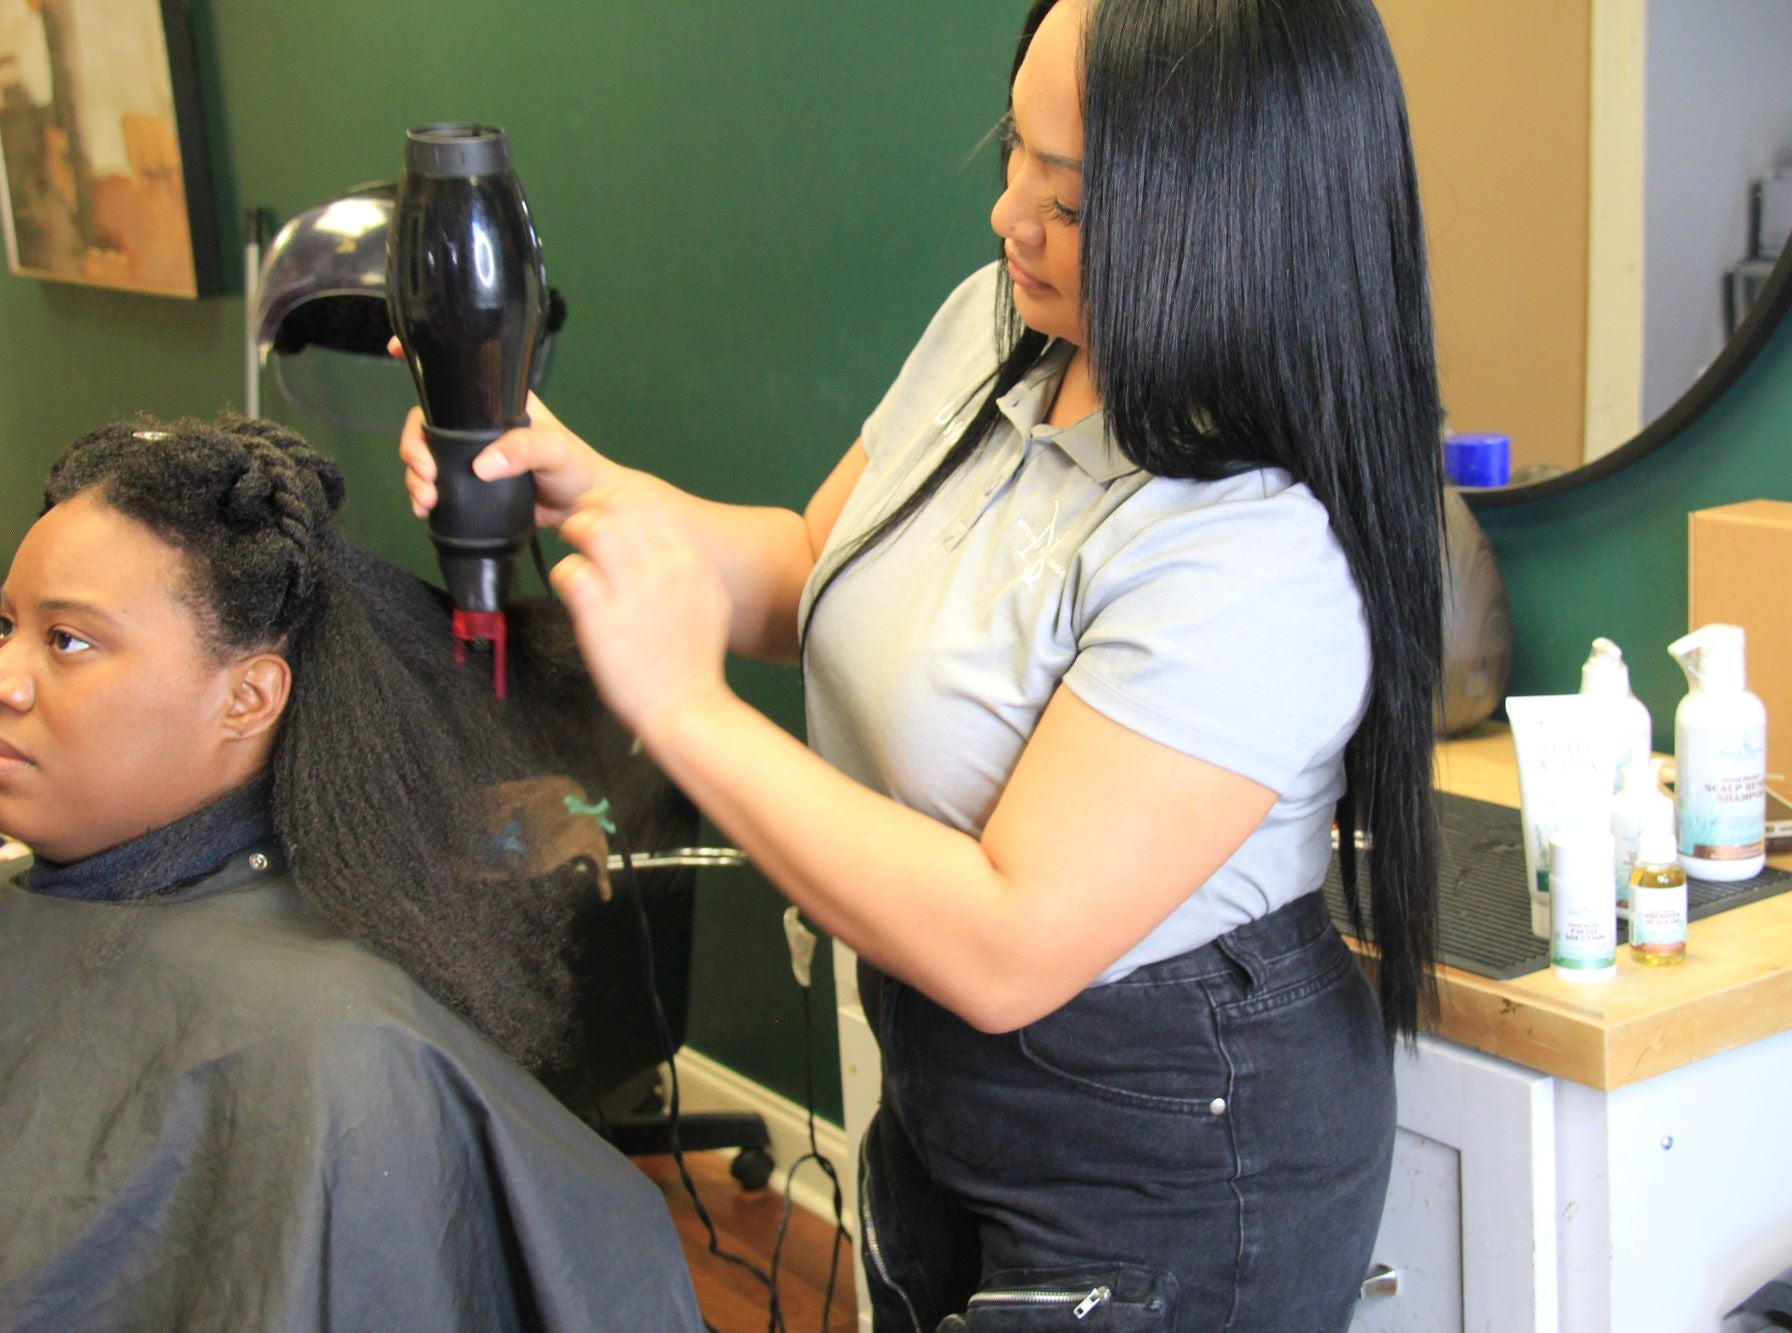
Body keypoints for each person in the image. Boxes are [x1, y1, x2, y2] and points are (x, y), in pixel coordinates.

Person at [404, 0, 1443, 1325]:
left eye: (1065, 199)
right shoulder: (999, 325)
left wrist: (679, 706)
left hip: (1178, 1148)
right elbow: (806, 574)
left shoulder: (1254, 549)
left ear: (1225, 219)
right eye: (1014, 150)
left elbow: (1011, 941)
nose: (1010, 216)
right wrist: (583, 490)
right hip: (950, 1079)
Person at [0, 416, 703, 1332]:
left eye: (69, 642)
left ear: (248, 697)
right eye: (6, 623)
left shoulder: (339, 1048)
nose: (8, 675)